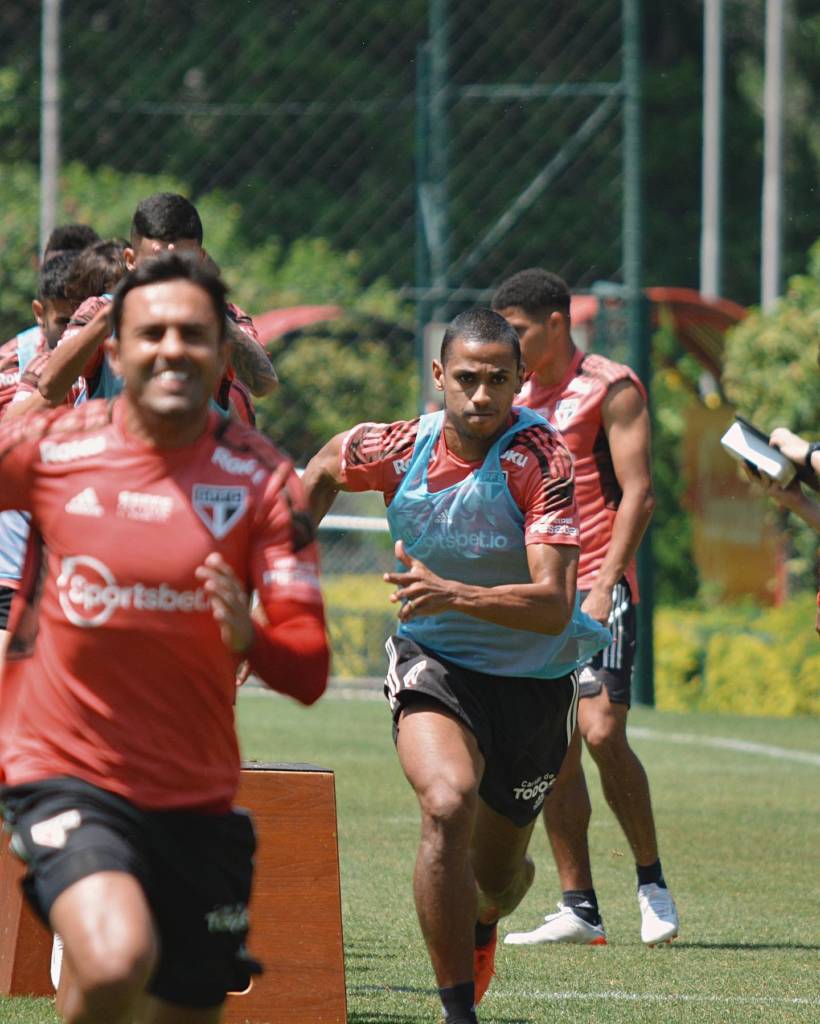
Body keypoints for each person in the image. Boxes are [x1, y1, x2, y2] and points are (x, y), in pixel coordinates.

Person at [0, 252, 329, 1023]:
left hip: (194, 792)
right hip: (63, 768)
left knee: (178, 1006)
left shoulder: (263, 481)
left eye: (193, 334)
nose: (172, 349)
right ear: (115, 351)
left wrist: (250, 638)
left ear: (223, 357)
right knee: (115, 958)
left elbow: (310, 670)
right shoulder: (52, 449)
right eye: (151, 333)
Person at [303, 308, 610, 1024]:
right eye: (467, 378)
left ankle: (484, 917)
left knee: (498, 879)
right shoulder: (397, 445)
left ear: (520, 381)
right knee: (446, 804)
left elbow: (553, 606)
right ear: (439, 375)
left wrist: (453, 592)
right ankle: (456, 1011)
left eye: (498, 380)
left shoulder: (541, 458)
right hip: (434, 659)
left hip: (534, 682)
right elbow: (321, 468)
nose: (481, 395)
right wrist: (278, 577)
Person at [492, 268, 679, 947]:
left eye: (517, 331)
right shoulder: (508, 395)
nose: (507, 344)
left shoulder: (610, 386)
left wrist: (603, 584)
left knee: (601, 731)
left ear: (555, 323)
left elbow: (640, 493)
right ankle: (580, 908)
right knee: (557, 749)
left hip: (601, 586)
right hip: (541, 593)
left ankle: (652, 884)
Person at [12, 193, 276, 423]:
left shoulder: (225, 316)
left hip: (194, 461)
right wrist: (108, 318)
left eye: (182, 263)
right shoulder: (99, 310)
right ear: (130, 260)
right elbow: (50, 386)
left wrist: (213, 313)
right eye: (157, 263)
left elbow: (263, 384)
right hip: (117, 460)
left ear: (201, 259)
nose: (169, 276)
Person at [0, 251, 85, 661]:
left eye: (81, 322)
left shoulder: (111, 367)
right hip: (15, 566)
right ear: (41, 313)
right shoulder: (19, 362)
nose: (73, 335)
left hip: (80, 565)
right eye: (64, 322)